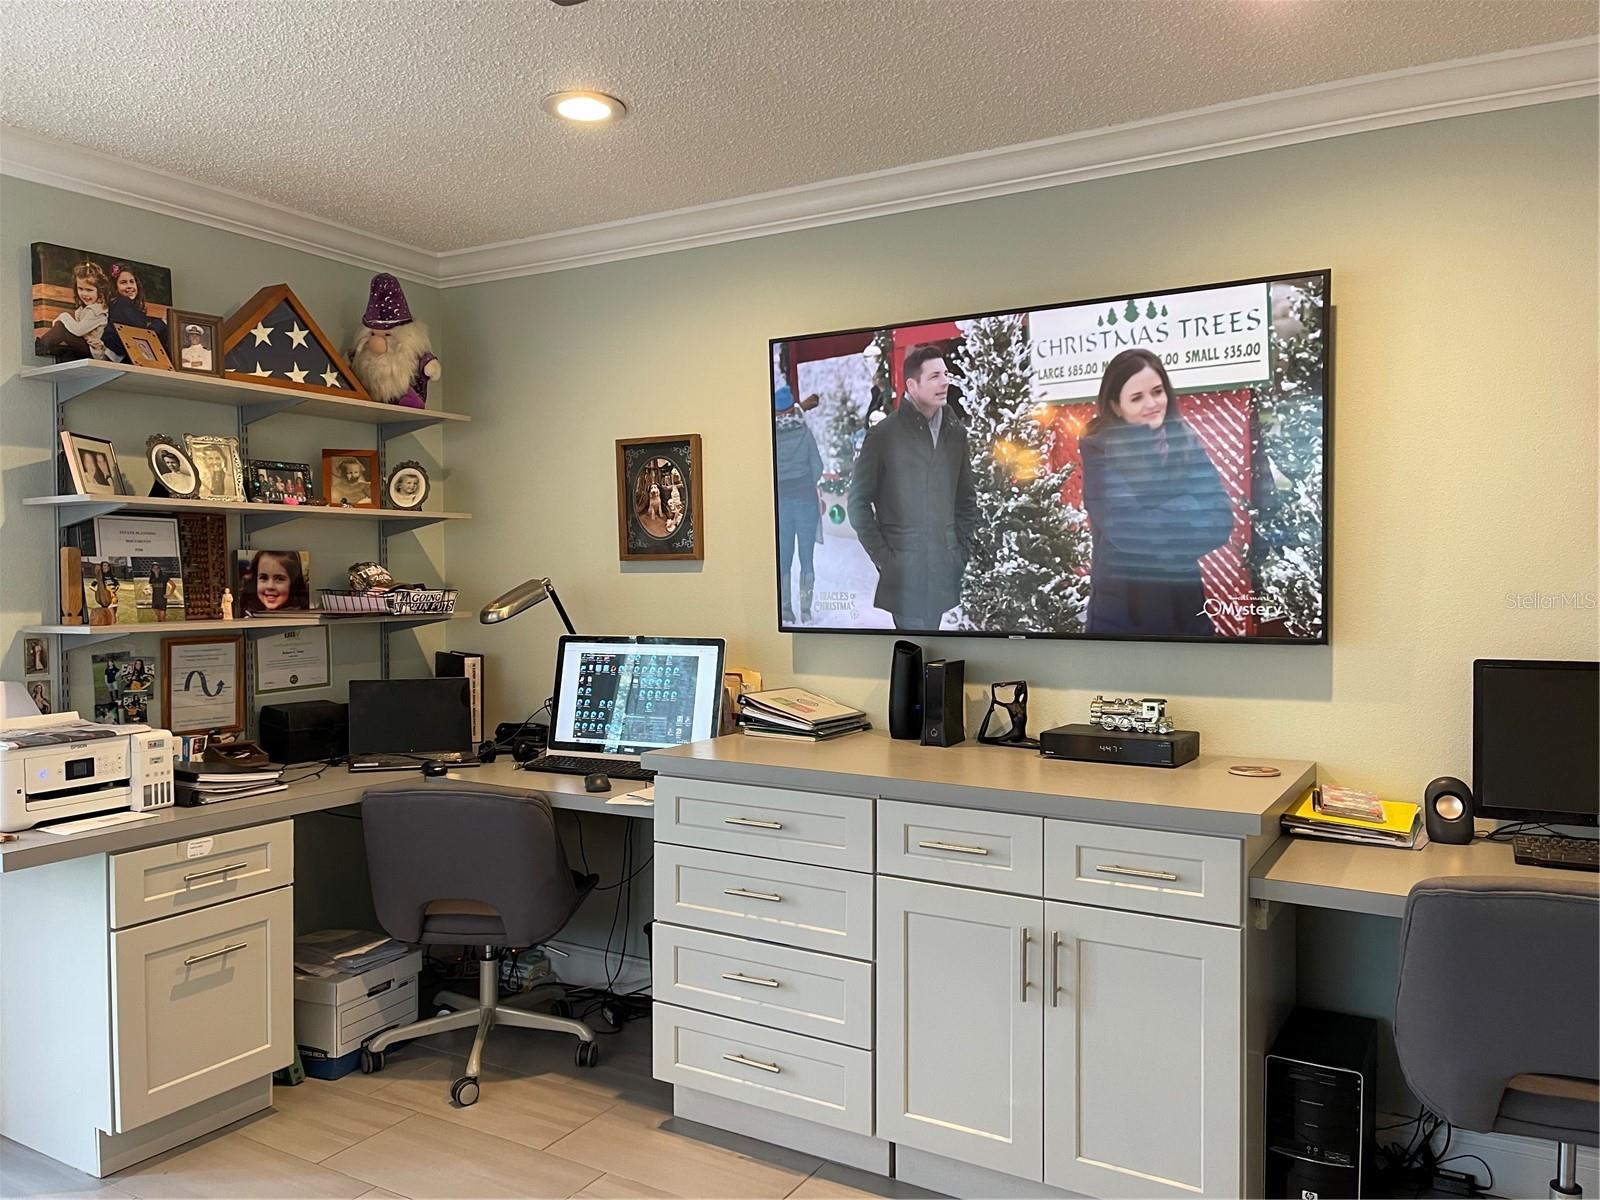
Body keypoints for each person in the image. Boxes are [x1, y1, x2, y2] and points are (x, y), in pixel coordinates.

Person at [1078, 348, 1234, 637]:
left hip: (1187, 612)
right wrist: (1189, 508)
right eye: (1137, 397)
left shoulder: (1184, 440)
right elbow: (1129, 532)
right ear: (1116, 406)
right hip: (1124, 619)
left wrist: (1156, 527)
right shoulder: (1100, 448)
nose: (1152, 403)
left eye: (1157, 392)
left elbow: (1221, 520)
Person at [847, 343, 978, 631]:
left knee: (931, 647)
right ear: (912, 385)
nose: (944, 382)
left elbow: (965, 500)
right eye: (934, 376)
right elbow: (858, 504)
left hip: (942, 568)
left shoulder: (955, 433)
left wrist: (960, 553)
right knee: (916, 650)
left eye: (945, 374)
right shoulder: (884, 435)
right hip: (904, 572)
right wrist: (885, 559)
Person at [773, 381, 824, 623]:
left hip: (781, 504)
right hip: (805, 502)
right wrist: (805, 483)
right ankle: (805, 610)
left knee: (784, 559)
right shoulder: (804, 431)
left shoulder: (770, 437)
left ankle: (785, 610)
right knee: (806, 559)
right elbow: (818, 465)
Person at [35, 261, 111, 361]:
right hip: (86, 346)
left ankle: (39, 347)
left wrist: (63, 316)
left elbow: (78, 331)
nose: (84, 294)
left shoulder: (96, 310)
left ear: (100, 291)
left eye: (89, 290)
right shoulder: (87, 308)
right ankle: (43, 347)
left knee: (61, 329)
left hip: (95, 352)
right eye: (80, 289)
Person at [101, 264, 168, 362]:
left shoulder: (134, 309)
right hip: (121, 359)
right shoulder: (121, 303)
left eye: (132, 282)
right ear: (115, 287)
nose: (129, 286)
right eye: (123, 282)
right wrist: (162, 322)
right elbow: (141, 335)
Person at [241, 550, 310, 613]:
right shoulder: (247, 614)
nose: (270, 586)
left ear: (293, 583)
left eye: (279, 579)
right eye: (264, 578)